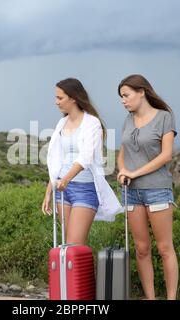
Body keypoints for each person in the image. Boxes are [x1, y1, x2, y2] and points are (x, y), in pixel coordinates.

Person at [116, 74, 179, 300]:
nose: (123, 101)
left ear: (141, 92)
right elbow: (122, 154)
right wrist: (123, 171)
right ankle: (150, 298)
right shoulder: (127, 120)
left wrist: (135, 173)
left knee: (164, 248)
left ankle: (171, 298)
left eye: (126, 95)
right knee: (142, 250)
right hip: (132, 193)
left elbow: (166, 156)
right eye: (121, 97)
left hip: (157, 190)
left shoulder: (164, 118)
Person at [42, 78, 122, 245]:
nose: (56, 102)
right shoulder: (61, 123)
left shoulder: (92, 123)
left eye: (60, 98)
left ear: (73, 98)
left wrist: (66, 179)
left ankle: (85, 272)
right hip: (62, 190)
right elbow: (56, 161)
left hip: (84, 188)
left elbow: (86, 157)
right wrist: (49, 190)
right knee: (66, 245)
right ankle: (73, 273)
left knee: (74, 245)